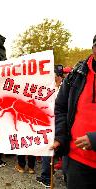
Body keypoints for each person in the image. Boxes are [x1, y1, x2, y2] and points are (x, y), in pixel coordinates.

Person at [52, 35, 96, 189]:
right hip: (77, 162)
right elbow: (61, 108)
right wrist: (60, 136)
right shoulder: (77, 74)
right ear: (93, 49)